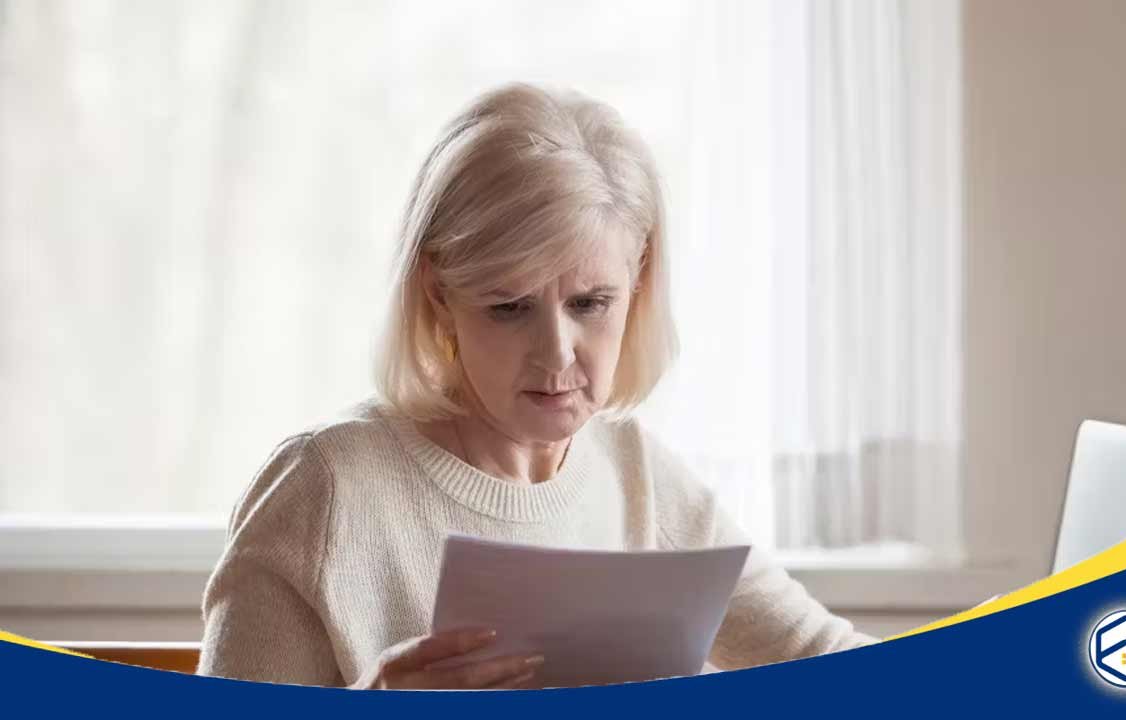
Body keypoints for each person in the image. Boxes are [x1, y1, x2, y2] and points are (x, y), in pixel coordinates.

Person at [196, 81, 878, 690]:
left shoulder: (638, 476)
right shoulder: (324, 491)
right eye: (508, 307)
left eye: (591, 304)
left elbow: (828, 658)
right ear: (438, 295)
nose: (556, 356)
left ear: (637, 285)